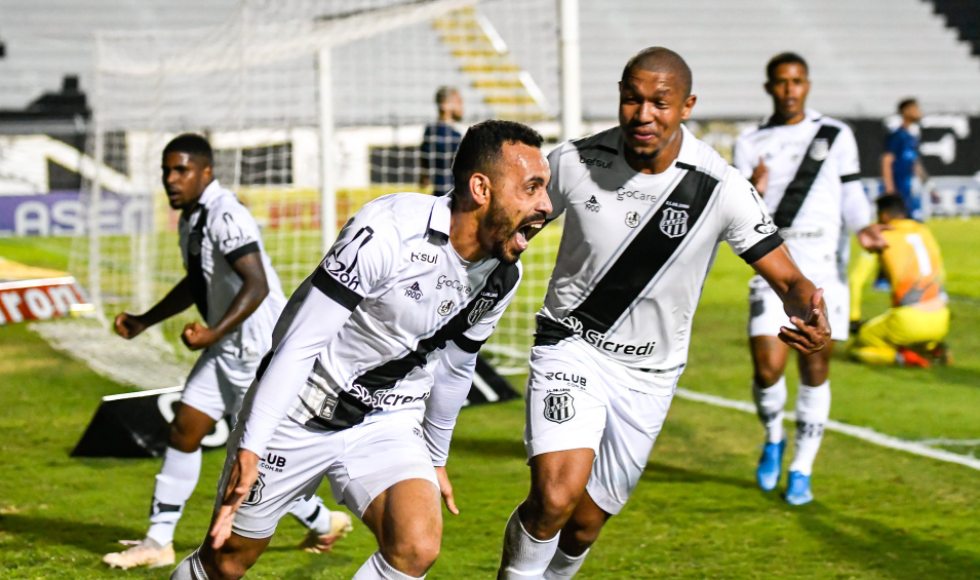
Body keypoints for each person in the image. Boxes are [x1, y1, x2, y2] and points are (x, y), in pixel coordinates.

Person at [497, 47, 831, 580]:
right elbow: (505, 222)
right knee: (556, 496)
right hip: (571, 345)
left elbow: (788, 278)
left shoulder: (719, 187)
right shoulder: (574, 161)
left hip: (650, 374)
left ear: (687, 106)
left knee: (583, 525)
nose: (643, 114)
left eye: (660, 102)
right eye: (632, 99)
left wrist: (811, 309)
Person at [170, 120, 552, 580]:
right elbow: (300, 343)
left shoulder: (502, 276)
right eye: (532, 188)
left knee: (416, 547)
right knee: (226, 561)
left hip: (388, 417)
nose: (545, 206)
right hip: (299, 412)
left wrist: (436, 455)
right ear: (480, 188)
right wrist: (252, 444)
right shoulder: (387, 230)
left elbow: (456, 366)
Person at [104, 134, 349, 570]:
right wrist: (145, 320)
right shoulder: (191, 217)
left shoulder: (225, 214)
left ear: (206, 172)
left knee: (259, 461)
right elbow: (196, 281)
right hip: (226, 348)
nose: (170, 179)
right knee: (184, 430)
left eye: (180, 170)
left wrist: (213, 329)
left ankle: (323, 519)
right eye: (166, 170)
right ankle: (158, 542)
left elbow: (256, 284)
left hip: (258, 352)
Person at [732, 52, 889, 505]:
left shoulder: (835, 134)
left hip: (823, 271)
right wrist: (753, 187)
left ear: (807, 84)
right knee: (767, 370)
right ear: (769, 87)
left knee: (815, 368)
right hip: (773, 270)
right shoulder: (751, 141)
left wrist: (864, 228)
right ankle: (772, 437)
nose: (789, 89)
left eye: (797, 81)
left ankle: (801, 467)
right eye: (781, 82)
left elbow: (853, 193)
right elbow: (739, 214)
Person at [848, 194, 950, 367]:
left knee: (859, 346)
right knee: (902, 329)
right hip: (941, 319)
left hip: (908, 320)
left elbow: (855, 280)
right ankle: (931, 348)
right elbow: (941, 273)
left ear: (885, 216)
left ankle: (902, 357)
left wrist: (854, 319)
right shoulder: (923, 231)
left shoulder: (881, 236)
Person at [881, 98, 930, 221]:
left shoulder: (911, 137)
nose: (919, 112)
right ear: (906, 111)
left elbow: (915, 162)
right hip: (899, 187)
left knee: (913, 221)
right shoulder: (897, 136)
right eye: (916, 109)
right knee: (899, 221)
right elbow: (886, 160)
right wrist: (889, 188)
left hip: (910, 187)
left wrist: (929, 184)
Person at [420, 86, 464, 197]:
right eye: (458, 102)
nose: (462, 106)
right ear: (445, 105)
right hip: (449, 193)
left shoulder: (455, 133)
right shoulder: (445, 133)